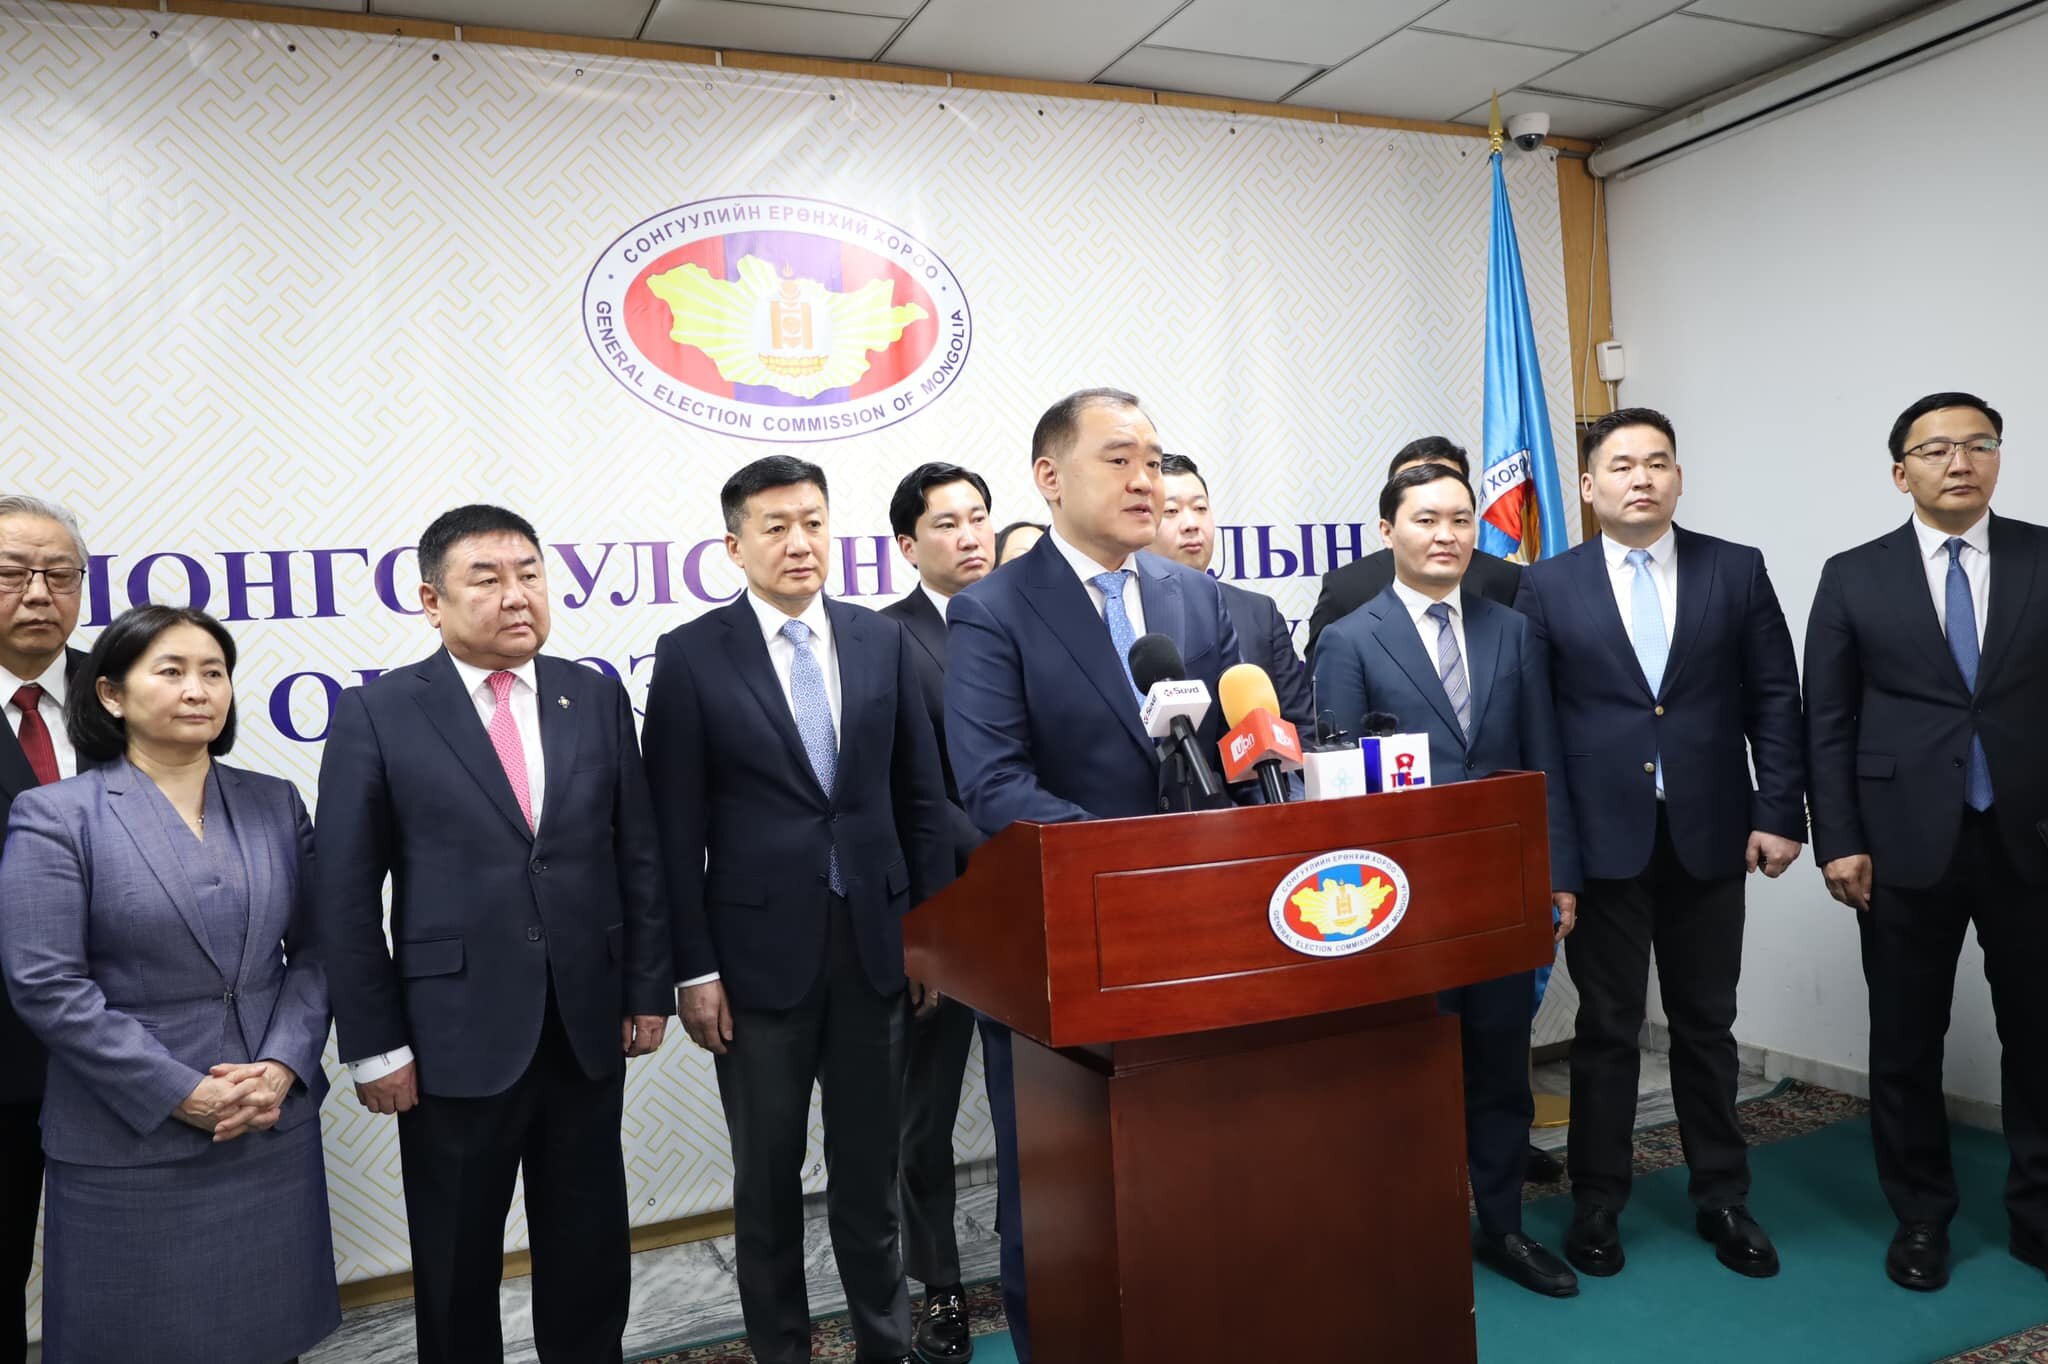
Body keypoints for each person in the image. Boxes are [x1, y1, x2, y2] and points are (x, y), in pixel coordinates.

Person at [314, 505, 672, 1363]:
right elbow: (346, 895)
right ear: (430, 600)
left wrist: (645, 987)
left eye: (529, 575)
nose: (517, 596)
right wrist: (374, 1045)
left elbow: (638, 853)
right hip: (451, 1035)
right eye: (488, 579)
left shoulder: (592, 695)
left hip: (585, 1021)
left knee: (589, 1245)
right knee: (455, 1258)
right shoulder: (379, 712)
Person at [945, 388, 1246, 1360]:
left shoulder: (1193, 597)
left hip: (1202, 944)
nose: (1144, 479)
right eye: (1118, 458)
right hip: (1062, 949)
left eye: (1153, 460)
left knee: (1194, 1173)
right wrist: (1135, 867)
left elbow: (1240, 756)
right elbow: (992, 782)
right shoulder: (992, 609)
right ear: (1049, 476)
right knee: (1063, 1192)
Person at [644, 456, 950, 1364]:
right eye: (775, 527)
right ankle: (782, 1351)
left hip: (875, 949)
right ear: (734, 546)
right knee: (768, 1185)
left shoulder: (879, 640)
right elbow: (672, 834)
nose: (799, 542)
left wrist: (930, 941)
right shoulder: (692, 654)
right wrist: (694, 969)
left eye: (813, 521)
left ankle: (885, 1346)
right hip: (753, 965)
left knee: (870, 1178)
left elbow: (921, 802)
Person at [0, 605, 337, 1364]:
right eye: (172, 671)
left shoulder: (275, 801)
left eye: (214, 672)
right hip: (131, 1132)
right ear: (111, 695)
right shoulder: (57, 814)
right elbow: (47, 984)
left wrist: (281, 1067)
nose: (197, 689)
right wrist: (181, 1091)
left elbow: (320, 952)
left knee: (271, 1336)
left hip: (264, 1120)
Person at [1516, 408, 1805, 1281]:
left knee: (1707, 1024)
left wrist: (1779, 811)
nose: (1641, 478)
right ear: (1588, 485)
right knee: (1606, 1028)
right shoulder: (1547, 587)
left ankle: (1723, 1195)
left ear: (1678, 477)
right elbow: (1539, 734)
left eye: (1658, 462)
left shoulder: (1735, 569)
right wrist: (1555, 859)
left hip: (1712, 834)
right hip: (1603, 845)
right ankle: (1597, 1200)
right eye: (1621, 464)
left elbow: (1775, 698)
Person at [1312, 461, 1581, 1298]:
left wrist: (1558, 874)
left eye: (1461, 519)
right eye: (1426, 519)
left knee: (1501, 1066)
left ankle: (1503, 1226)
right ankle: (1412, 1233)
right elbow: (1337, 795)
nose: (1447, 535)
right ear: (1387, 531)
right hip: (1397, 903)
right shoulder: (1350, 639)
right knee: (1409, 1073)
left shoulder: (1513, 630)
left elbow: (1543, 761)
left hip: (1498, 892)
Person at [1805, 391, 2048, 1293]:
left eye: (1979, 444)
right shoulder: (1852, 575)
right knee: (1907, 1041)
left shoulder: (2042, 555)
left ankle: (2038, 1213)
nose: (1960, 461)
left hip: (2032, 839)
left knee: (2040, 1036)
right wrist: (1838, 840)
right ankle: (1920, 1218)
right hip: (1898, 845)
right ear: (1900, 472)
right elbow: (1826, 720)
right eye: (1937, 448)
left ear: (1998, 458)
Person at [881, 461, 995, 1363]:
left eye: (979, 516)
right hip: (947, 906)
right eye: (947, 523)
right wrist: (1004, 848)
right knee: (923, 1117)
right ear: (908, 545)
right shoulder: (885, 641)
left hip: (1052, 899)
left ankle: (1057, 1258)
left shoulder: (1035, 622)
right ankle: (941, 1288)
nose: (970, 535)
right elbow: (905, 786)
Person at [0, 494, 92, 1364]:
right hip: (2, 1045)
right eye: (11, 574)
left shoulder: (129, 688)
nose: (38, 592)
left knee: (134, 1264)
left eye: (59, 574)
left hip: (134, 1039)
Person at [1304, 437, 1521, 661]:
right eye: (1415, 480)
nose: (1433, 489)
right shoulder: (1346, 587)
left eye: (1446, 479)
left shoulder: (1508, 580)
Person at [1152, 453, 1314, 731]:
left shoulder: (1259, 613)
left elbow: (1301, 729)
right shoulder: (1125, 611)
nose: (1191, 524)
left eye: (1200, 508)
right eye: (1171, 511)